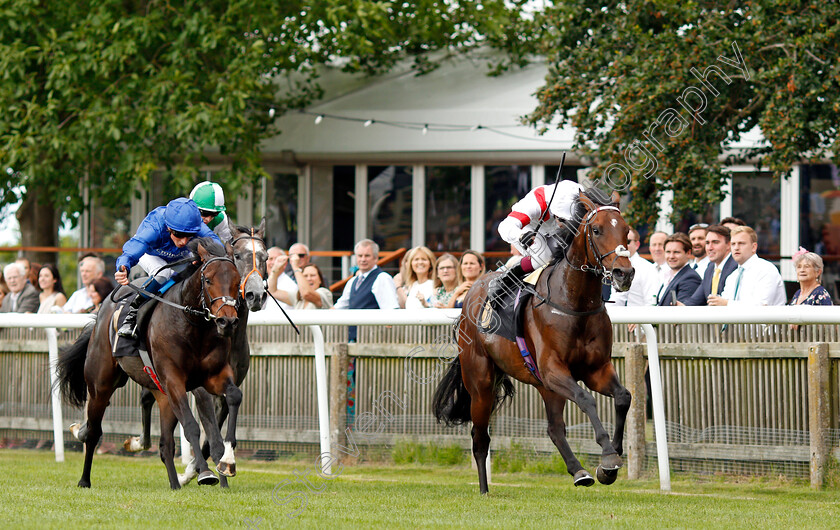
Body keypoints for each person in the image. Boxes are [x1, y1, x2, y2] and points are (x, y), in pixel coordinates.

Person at [115, 197, 222, 338]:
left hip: (177, 255)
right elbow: (135, 247)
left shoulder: (195, 225)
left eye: (189, 236)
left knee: (198, 270)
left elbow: (215, 242)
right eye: (179, 235)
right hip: (150, 253)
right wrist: (124, 266)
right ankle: (133, 313)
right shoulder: (154, 228)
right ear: (168, 227)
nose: (184, 241)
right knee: (163, 273)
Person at [491, 180, 586, 299]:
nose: (564, 225)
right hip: (529, 229)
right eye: (562, 220)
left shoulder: (578, 196)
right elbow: (504, 226)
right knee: (543, 257)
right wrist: (521, 236)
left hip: (550, 229)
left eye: (569, 221)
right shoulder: (534, 204)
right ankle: (505, 279)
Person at [333, 239, 399, 342]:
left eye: (367, 256)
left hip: (373, 340)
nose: (363, 259)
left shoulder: (382, 278)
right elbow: (339, 307)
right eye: (360, 256)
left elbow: (390, 312)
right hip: (352, 339)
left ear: (376, 258)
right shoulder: (352, 281)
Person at [709, 226, 785, 306]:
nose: (736, 248)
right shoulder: (732, 277)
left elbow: (762, 306)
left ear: (754, 247)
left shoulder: (766, 270)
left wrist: (727, 304)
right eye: (733, 244)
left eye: (741, 243)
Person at [683, 225, 737, 306]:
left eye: (715, 242)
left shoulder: (736, 266)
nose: (710, 248)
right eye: (707, 243)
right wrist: (681, 307)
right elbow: (695, 300)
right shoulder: (710, 268)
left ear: (729, 245)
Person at [609, 228, 659, 307]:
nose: (623, 245)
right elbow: (616, 299)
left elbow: (651, 302)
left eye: (627, 241)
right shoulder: (614, 266)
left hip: (640, 317)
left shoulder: (647, 268)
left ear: (637, 245)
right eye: (619, 241)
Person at [656, 233, 701, 306]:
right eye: (668, 252)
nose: (671, 256)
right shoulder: (669, 275)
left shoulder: (690, 278)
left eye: (676, 252)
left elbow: (681, 313)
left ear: (688, 253)